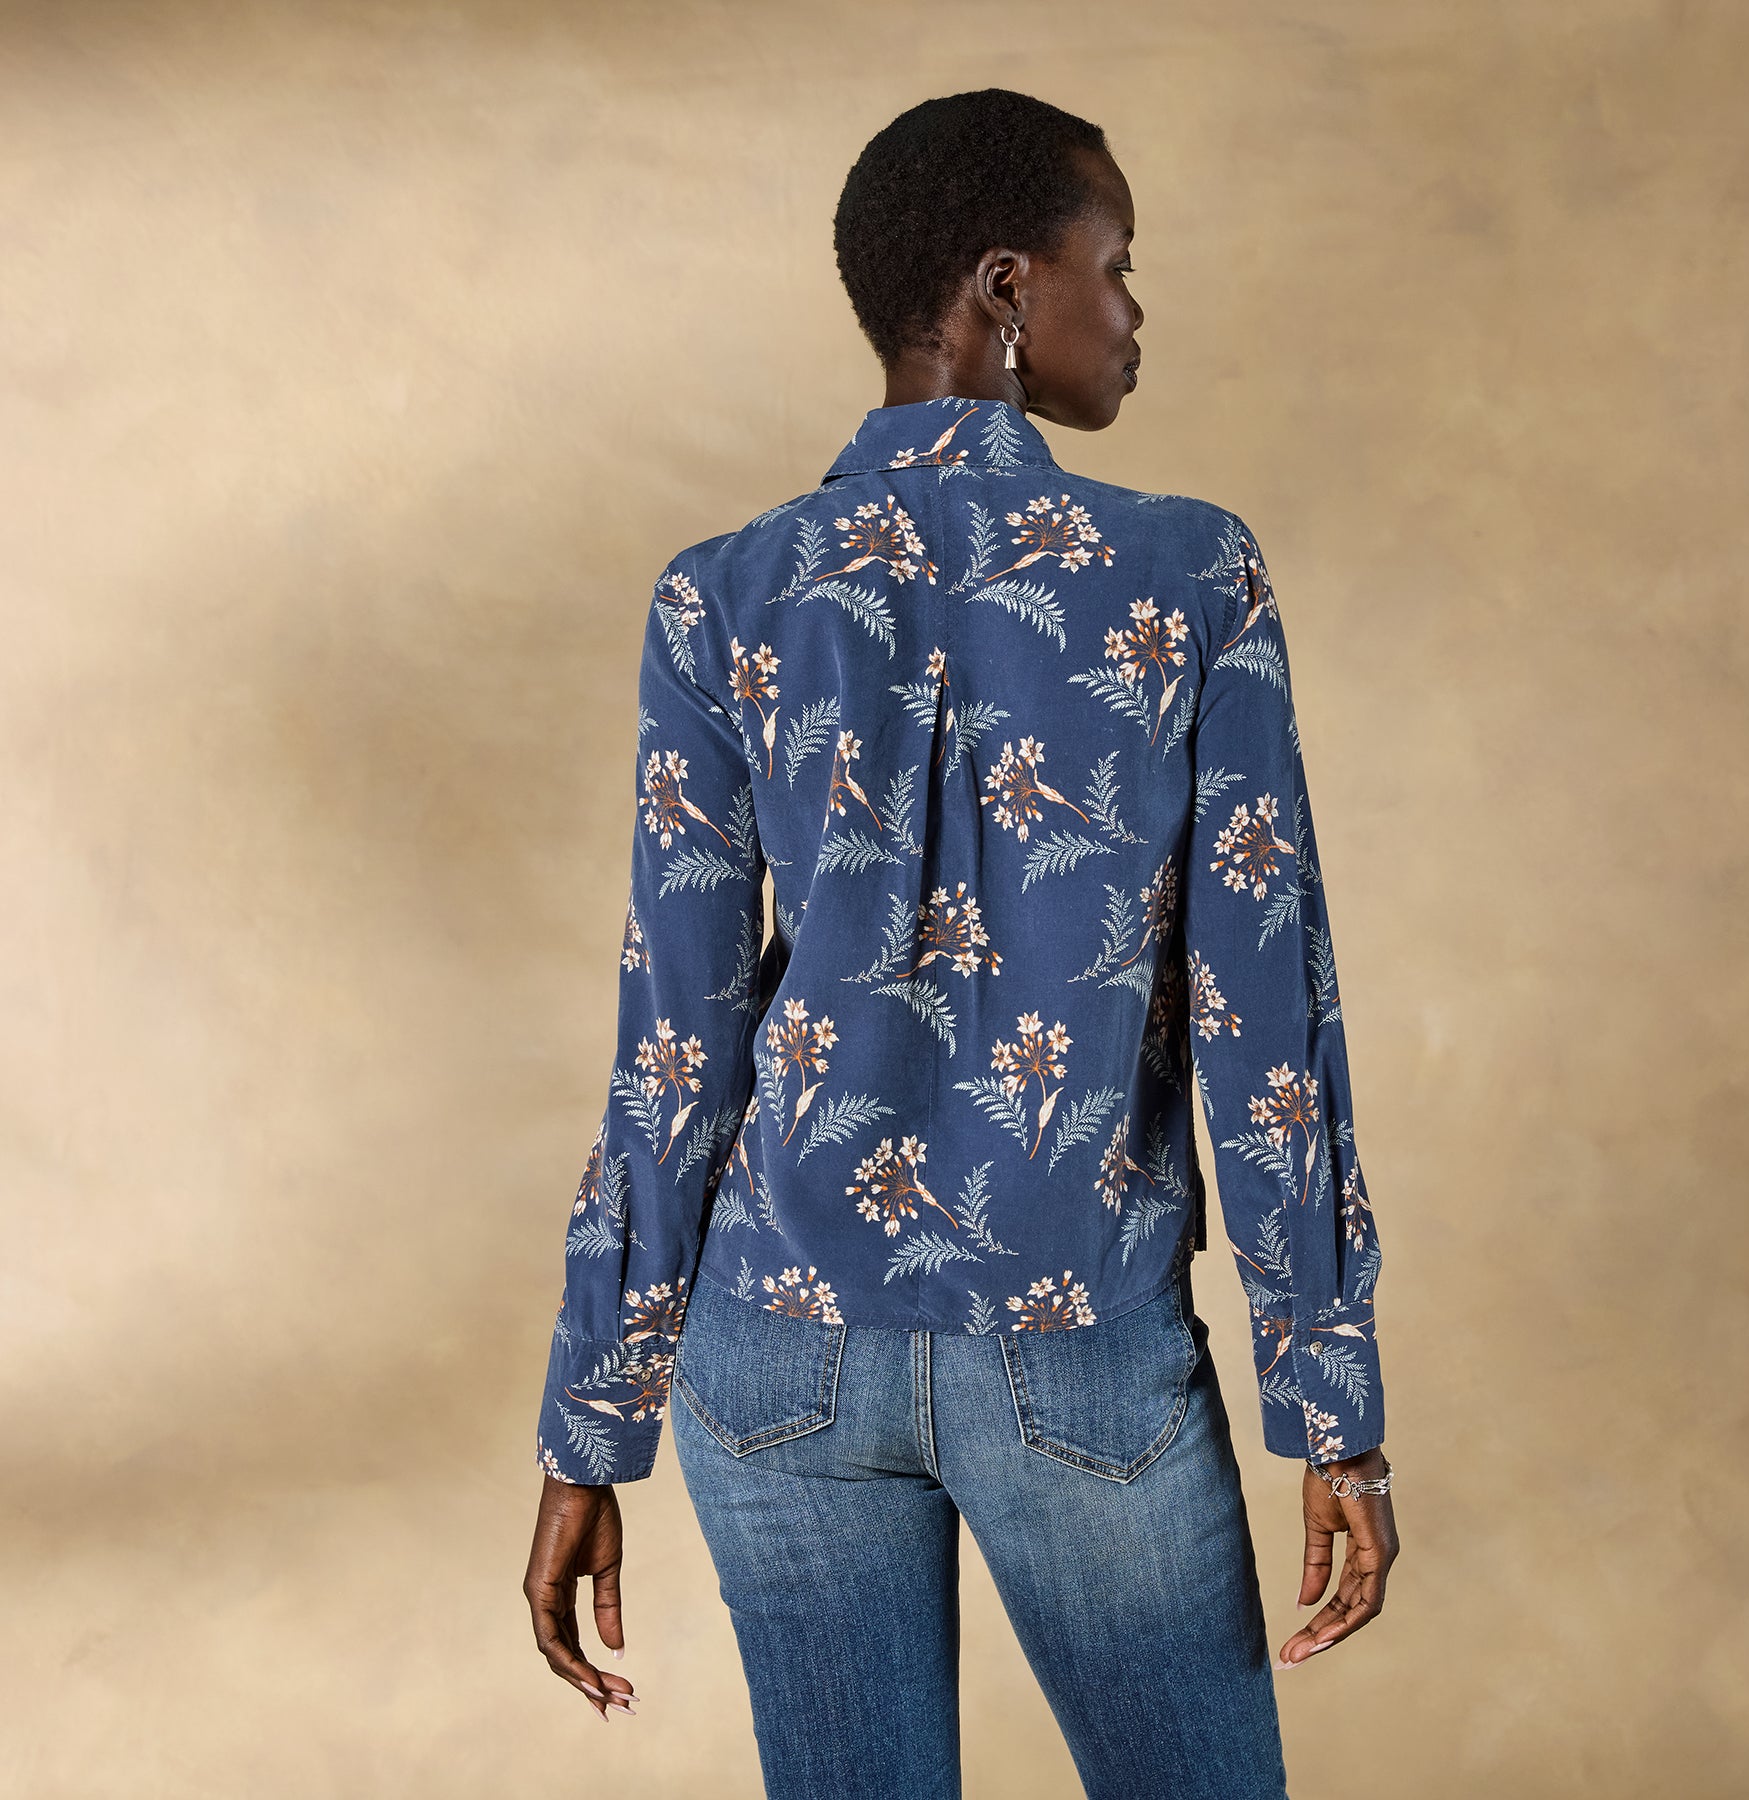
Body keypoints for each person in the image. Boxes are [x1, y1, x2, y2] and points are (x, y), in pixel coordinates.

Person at [524, 87, 1399, 1798]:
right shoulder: (1189, 575)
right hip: (1077, 1336)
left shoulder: (722, 593)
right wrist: (1333, 1403)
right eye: (1115, 264)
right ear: (1006, 286)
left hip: (772, 1349)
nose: (1134, 310)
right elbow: (1264, 1021)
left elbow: (676, 1041)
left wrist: (591, 1419)